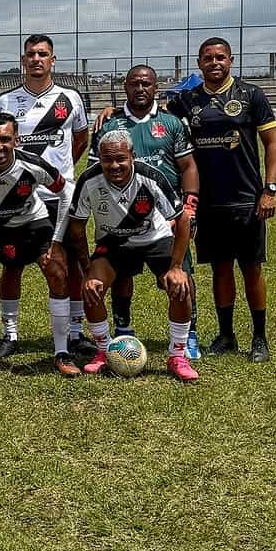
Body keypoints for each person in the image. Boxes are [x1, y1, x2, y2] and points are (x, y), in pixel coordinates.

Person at [167, 37, 276, 363]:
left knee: (251, 268)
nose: (214, 63)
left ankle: (259, 338)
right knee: (220, 269)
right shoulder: (187, 100)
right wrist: (112, 110)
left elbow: (272, 144)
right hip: (207, 201)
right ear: (199, 63)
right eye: (207, 58)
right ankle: (226, 334)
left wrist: (269, 190)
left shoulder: (250, 95)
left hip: (247, 199)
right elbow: (155, 119)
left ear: (231, 60)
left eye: (220, 57)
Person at [63, 129, 197, 382]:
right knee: (91, 287)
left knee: (181, 286)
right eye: (107, 160)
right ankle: (103, 351)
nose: (114, 166)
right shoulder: (89, 180)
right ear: (99, 159)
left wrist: (177, 267)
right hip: (113, 243)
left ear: (132, 156)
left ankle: (177, 355)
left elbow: (182, 221)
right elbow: (77, 228)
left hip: (154, 238)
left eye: (121, 159)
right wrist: (87, 268)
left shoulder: (151, 177)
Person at [91, 65, 201, 355]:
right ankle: (123, 327)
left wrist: (190, 206)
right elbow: (94, 171)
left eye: (147, 84)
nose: (140, 89)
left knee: (180, 274)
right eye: (134, 84)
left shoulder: (172, 123)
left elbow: (188, 166)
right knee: (121, 274)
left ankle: (188, 334)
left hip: (167, 215)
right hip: (120, 215)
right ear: (125, 86)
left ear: (156, 87)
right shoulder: (108, 124)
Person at [0, 35, 89, 360]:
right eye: (31, 54)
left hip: (60, 199)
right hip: (19, 198)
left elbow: (80, 139)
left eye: (43, 54)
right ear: (23, 60)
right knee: (12, 265)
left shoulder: (70, 98)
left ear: (52, 59)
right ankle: (10, 333)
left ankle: (74, 333)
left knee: (68, 264)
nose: (37, 59)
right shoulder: (7, 101)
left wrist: (58, 175)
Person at [0, 113, 71, 378]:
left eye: (5, 139)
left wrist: (58, 241)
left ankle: (62, 352)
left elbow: (65, 191)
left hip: (31, 221)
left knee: (56, 273)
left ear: (16, 140)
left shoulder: (32, 164)